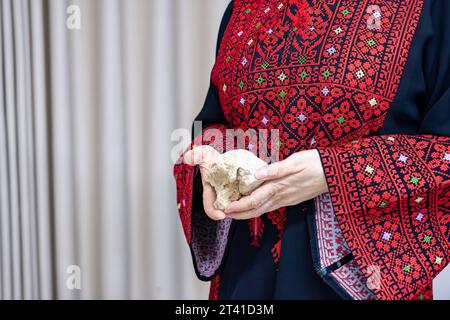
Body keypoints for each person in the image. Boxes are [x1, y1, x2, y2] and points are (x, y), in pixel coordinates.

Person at [174, 0, 450, 300]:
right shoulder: (243, 8)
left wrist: (334, 171)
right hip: (248, 272)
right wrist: (212, 162)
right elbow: (217, 123)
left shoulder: (432, 8)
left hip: (355, 281)